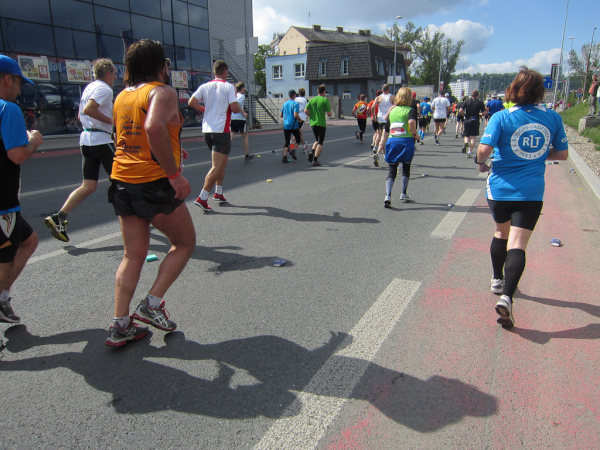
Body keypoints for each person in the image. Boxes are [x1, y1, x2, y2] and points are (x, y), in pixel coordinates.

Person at [106, 39, 196, 346]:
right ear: (160, 65)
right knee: (184, 243)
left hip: (122, 180)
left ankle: (120, 324)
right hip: (152, 182)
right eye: (166, 63)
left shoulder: (122, 96)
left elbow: (124, 137)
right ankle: (152, 304)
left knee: (132, 255)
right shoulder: (162, 92)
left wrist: (173, 150)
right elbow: (153, 128)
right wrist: (174, 174)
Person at [475, 68, 568, 328]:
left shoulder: (502, 117)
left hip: (500, 190)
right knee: (518, 243)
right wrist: (538, 155)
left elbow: (483, 150)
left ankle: (497, 279)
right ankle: (507, 297)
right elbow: (562, 154)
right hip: (531, 192)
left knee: (500, 233)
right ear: (540, 91)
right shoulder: (553, 118)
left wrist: (481, 162)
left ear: (513, 89)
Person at [45, 59, 118, 242]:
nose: (115, 78)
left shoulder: (89, 88)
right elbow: (89, 109)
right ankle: (132, 217)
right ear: (108, 73)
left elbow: (81, 114)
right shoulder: (105, 89)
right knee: (121, 179)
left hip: (86, 140)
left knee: (88, 186)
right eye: (115, 74)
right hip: (101, 140)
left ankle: (59, 217)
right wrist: (112, 122)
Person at [0, 55, 44, 324]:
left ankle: (3, 297)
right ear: (7, 80)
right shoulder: (8, 108)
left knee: (29, 241)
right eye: (18, 83)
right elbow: (17, 155)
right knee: (4, 260)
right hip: (3, 203)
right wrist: (34, 141)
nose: (19, 89)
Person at [189, 60, 243, 211]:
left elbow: (191, 102)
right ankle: (202, 197)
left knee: (223, 162)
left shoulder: (205, 86)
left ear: (214, 72)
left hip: (207, 130)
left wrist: (204, 109)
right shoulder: (228, 87)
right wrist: (236, 104)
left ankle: (218, 192)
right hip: (221, 130)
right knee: (217, 166)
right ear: (225, 72)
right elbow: (234, 108)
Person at [382, 87, 419, 208]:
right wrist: (414, 134)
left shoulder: (392, 110)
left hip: (392, 141)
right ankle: (403, 193)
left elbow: (387, 129)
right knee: (406, 166)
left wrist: (382, 144)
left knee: (392, 169)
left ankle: (388, 195)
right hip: (406, 141)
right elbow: (412, 122)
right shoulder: (410, 110)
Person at [304, 84, 332, 167]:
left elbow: (305, 110)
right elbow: (329, 114)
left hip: (313, 123)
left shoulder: (312, 100)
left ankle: (312, 152)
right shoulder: (325, 100)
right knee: (320, 142)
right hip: (321, 123)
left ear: (317, 91)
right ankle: (315, 160)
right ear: (324, 92)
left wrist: (311, 115)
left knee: (317, 139)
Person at [229, 81, 253, 162]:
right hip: (240, 119)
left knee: (231, 137)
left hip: (233, 118)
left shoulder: (234, 96)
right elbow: (237, 104)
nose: (244, 90)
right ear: (242, 88)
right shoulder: (241, 96)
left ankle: (222, 150)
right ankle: (247, 155)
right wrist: (243, 112)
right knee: (245, 136)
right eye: (244, 88)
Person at [460, 89, 487, 158]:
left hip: (467, 119)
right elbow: (484, 113)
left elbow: (460, 110)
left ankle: (466, 142)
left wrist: (464, 115)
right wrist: (480, 114)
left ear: (471, 95)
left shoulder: (467, 102)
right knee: (473, 137)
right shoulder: (480, 103)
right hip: (475, 120)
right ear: (477, 95)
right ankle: (469, 152)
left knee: (466, 135)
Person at [374, 84, 394, 166]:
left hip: (380, 119)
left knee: (381, 136)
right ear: (389, 89)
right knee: (384, 138)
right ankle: (378, 153)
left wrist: (374, 115)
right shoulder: (392, 97)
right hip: (387, 119)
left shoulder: (378, 97)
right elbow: (396, 106)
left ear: (382, 90)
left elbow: (372, 106)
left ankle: (384, 156)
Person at [280, 89, 301, 163]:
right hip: (294, 125)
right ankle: (293, 150)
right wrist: (299, 119)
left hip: (286, 125)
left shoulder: (285, 104)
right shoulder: (295, 104)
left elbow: (281, 115)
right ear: (294, 95)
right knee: (298, 139)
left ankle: (284, 157)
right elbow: (295, 115)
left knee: (287, 142)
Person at [294, 88, 309, 153]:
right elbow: (307, 109)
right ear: (304, 93)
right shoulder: (305, 100)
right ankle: (290, 144)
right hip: (302, 117)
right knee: (297, 132)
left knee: (300, 133)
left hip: (296, 116)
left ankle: (304, 147)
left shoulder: (296, 99)